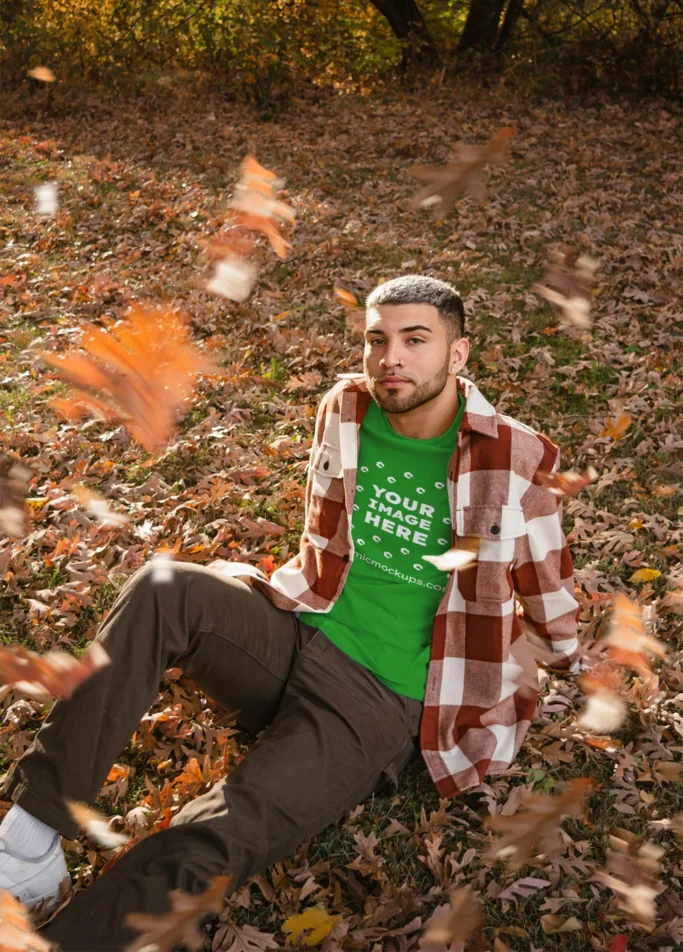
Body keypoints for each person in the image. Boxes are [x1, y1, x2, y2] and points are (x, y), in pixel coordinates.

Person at [0, 275, 580, 950]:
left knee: (219, 830)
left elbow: (553, 617)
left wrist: (487, 694)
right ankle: (29, 843)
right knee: (164, 586)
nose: (390, 357)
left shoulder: (514, 459)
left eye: (414, 340)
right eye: (376, 339)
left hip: (376, 700)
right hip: (297, 629)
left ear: (457, 355)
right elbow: (323, 542)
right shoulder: (346, 407)